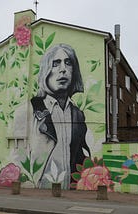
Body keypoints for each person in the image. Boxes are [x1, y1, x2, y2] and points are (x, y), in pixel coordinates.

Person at [13, 43, 91, 189]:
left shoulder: (78, 114)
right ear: (45, 71)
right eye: (56, 63)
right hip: (39, 193)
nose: (63, 69)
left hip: (69, 191)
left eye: (68, 63)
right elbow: (18, 156)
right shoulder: (28, 110)